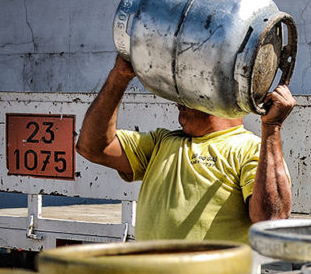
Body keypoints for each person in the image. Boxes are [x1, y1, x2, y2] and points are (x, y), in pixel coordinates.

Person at [76, 55, 294, 243]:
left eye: (190, 91)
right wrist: (119, 76)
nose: (178, 101)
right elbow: (92, 147)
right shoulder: (161, 142)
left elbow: (271, 221)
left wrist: (271, 128)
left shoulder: (250, 149)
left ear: (219, 97)